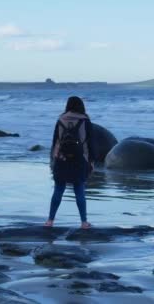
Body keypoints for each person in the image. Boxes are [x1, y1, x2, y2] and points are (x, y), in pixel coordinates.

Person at [45, 96, 95, 229]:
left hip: (62, 158)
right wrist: (91, 160)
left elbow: (55, 140)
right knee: (79, 190)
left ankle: (50, 221)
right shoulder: (85, 120)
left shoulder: (61, 119)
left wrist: (52, 158)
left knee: (58, 190)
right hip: (80, 159)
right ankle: (84, 223)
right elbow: (90, 142)